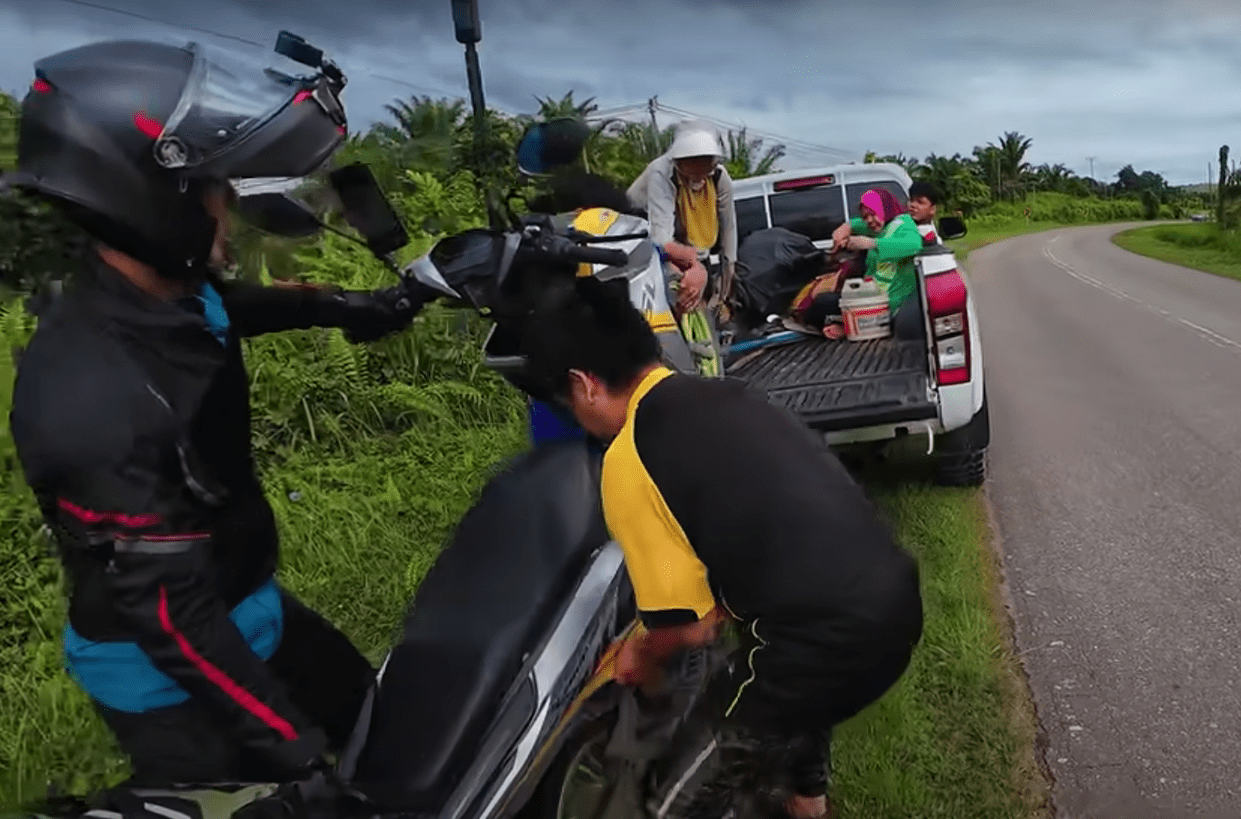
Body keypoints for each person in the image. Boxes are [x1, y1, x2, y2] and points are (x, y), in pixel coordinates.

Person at [5, 39, 432, 786]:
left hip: (245, 598)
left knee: (383, 725)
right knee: (277, 786)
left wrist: (356, 305)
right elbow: (169, 616)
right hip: (162, 665)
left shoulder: (168, 293)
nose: (229, 200)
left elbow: (228, 309)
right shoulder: (89, 394)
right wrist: (293, 754)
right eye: (212, 186)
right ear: (149, 197)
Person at [519, 276, 924, 819]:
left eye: (566, 401)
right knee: (791, 697)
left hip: (821, 642)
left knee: (674, 801)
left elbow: (692, 625)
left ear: (584, 384)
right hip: (894, 598)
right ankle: (808, 803)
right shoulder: (727, 392)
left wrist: (640, 655)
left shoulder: (628, 457)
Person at [626, 120, 738, 320]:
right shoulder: (661, 173)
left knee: (699, 299)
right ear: (677, 164)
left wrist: (724, 293)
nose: (698, 180)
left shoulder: (719, 177)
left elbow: (729, 234)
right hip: (644, 242)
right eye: (691, 172)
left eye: (705, 171)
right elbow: (661, 239)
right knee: (677, 296)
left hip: (689, 249)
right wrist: (696, 268)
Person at [828, 188, 925, 340]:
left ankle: (850, 328)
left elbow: (913, 245)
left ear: (885, 209)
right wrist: (845, 228)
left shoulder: (903, 224)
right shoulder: (881, 227)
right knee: (823, 303)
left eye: (873, 213)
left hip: (891, 303)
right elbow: (856, 224)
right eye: (865, 216)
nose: (869, 221)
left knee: (824, 305)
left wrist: (871, 243)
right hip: (871, 297)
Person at [907, 181, 944, 246]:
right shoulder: (901, 224)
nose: (912, 205)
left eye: (920, 202)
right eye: (911, 200)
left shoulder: (931, 239)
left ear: (932, 209)